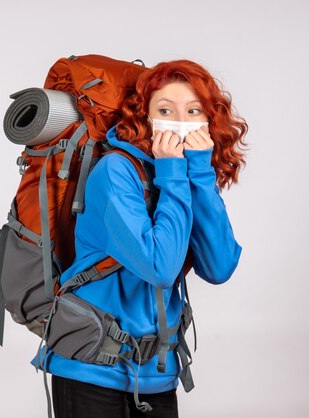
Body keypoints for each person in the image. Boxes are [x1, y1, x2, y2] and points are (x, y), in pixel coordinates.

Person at [32, 60, 249, 418]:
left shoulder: (183, 172)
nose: (180, 121)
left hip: (156, 375)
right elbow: (160, 268)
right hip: (90, 369)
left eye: (193, 111)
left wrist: (199, 172)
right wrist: (174, 171)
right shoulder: (115, 172)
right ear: (144, 117)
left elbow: (219, 265)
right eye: (165, 110)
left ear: (210, 121)